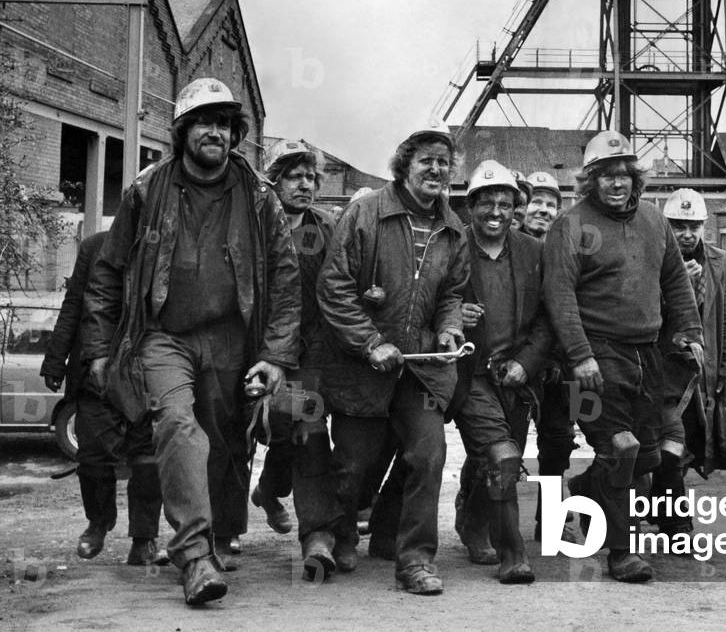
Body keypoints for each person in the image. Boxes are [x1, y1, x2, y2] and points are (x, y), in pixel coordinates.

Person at [81, 77, 301, 605]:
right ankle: (195, 557)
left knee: (226, 439)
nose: (216, 133)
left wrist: (273, 356)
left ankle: (223, 536)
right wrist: (97, 349)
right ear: (183, 131)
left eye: (225, 124)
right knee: (179, 426)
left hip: (230, 337)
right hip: (163, 336)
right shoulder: (146, 190)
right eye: (205, 122)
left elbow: (287, 280)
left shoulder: (259, 199)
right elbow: (108, 273)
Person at [316, 120, 469, 595]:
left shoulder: (453, 227)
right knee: (352, 465)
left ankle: (416, 560)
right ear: (404, 165)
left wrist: (449, 327)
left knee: (428, 456)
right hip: (363, 367)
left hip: (419, 370)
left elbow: (452, 292)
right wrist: (369, 341)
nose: (436, 169)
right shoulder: (364, 213)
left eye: (443, 162)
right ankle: (341, 534)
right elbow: (334, 286)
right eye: (426, 160)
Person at [543, 130, 703, 582]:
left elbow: (675, 281)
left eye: (625, 174)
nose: (617, 183)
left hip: (646, 357)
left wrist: (689, 332)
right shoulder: (569, 226)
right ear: (590, 180)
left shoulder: (655, 221)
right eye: (607, 175)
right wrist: (580, 355)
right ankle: (620, 552)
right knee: (619, 449)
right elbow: (559, 296)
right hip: (591, 362)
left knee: (647, 462)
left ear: (637, 178)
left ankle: (586, 487)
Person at [450, 160, 552, 583]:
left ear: (516, 209)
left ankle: (472, 523)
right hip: (469, 374)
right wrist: (451, 313)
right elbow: (425, 299)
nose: (496, 211)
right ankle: (514, 556)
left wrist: (525, 364)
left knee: (488, 460)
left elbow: (550, 319)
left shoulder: (533, 252)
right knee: (503, 457)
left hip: (516, 378)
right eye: (486, 202)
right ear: (470, 206)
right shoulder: (451, 246)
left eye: (505, 204)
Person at [248, 139, 345, 580]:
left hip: (308, 353)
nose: (305, 185)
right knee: (262, 433)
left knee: (308, 431)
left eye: (311, 177)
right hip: (256, 350)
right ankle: (260, 496)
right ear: (274, 179)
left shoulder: (327, 229)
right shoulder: (253, 225)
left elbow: (345, 279)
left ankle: (317, 537)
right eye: (295, 176)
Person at [39, 231, 166, 566]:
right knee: (93, 455)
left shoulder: (170, 244)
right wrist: (56, 359)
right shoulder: (95, 247)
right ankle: (98, 523)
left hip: (148, 366)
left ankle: (144, 539)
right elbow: (74, 305)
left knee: (147, 459)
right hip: (95, 368)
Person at [654, 188, 726, 540]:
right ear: (666, 226)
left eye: (694, 226)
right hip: (664, 370)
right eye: (678, 226)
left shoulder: (718, 262)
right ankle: (678, 527)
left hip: (702, 371)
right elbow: (645, 313)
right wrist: (678, 287)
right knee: (668, 448)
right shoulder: (655, 260)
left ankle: (659, 511)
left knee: (689, 449)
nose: (687, 234)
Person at [521, 170, 579, 542]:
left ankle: (551, 523)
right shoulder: (506, 246)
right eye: (536, 202)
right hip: (516, 364)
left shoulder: (570, 249)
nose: (543, 210)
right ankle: (478, 515)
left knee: (558, 445)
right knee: (499, 445)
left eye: (551, 204)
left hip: (561, 368)